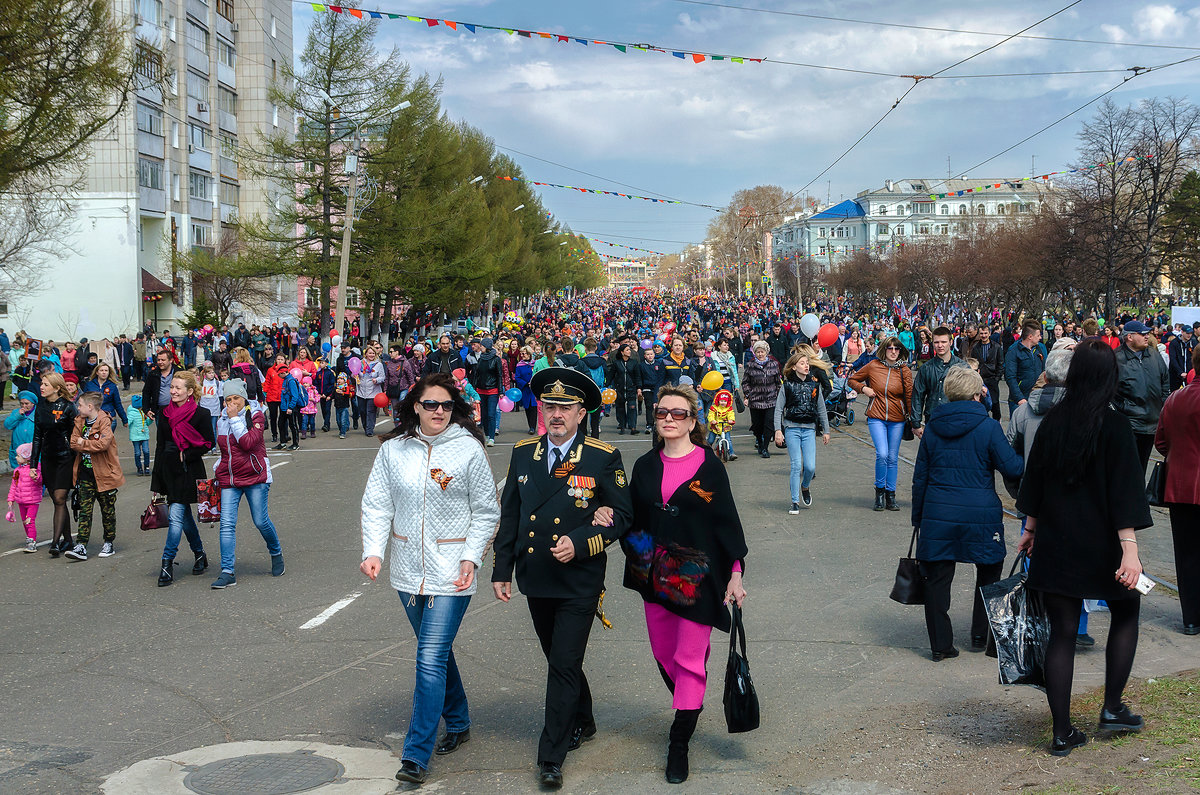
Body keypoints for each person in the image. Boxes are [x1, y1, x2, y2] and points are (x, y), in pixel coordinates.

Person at [491, 367, 633, 790]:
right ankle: (584, 721)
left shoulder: (601, 456)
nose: (556, 414)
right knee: (559, 658)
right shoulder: (522, 453)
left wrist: (584, 539)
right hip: (537, 577)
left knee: (564, 664)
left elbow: (623, 517)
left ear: (581, 412)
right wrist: (502, 570)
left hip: (579, 580)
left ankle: (550, 755)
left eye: (565, 407)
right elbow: (511, 517)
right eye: (550, 406)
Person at [360, 374, 499, 785]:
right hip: (406, 570)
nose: (439, 411)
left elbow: (487, 511)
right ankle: (457, 721)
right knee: (434, 652)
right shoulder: (394, 450)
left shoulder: (468, 450)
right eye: (431, 404)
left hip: (453, 570)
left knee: (429, 656)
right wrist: (373, 550)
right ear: (415, 406)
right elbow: (377, 503)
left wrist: (473, 556)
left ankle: (416, 753)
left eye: (446, 405)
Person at [1016, 340, 1153, 757]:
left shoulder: (1053, 421)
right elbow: (1125, 494)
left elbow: (1033, 482)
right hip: (1104, 545)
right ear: (1110, 378)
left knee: (1061, 633)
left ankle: (1062, 732)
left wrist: (1031, 527)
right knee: (1127, 611)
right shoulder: (1115, 427)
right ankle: (1112, 706)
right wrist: (1130, 549)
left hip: (1057, 541)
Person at [619, 383, 747, 783]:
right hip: (653, 574)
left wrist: (736, 574)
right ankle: (688, 696)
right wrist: (629, 542)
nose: (669, 419)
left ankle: (679, 742)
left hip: (698, 577)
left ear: (693, 420)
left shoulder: (710, 467)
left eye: (678, 413)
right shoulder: (643, 465)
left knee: (689, 661)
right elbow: (631, 517)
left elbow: (727, 525)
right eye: (662, 413)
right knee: (665, 656)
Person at [911, 367, 1023, 661]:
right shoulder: (988, 427)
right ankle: (981, 635)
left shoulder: (933, 426)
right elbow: (1011, 468)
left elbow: (920, 476)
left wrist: (918, 518)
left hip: (939, 510)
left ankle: (940, 645)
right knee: (989, 571)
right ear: (977, 394)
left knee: (937, 578)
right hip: (980, 512)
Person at [211, 379, 284, 589]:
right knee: (226, 525)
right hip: (230, 479)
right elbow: (225, 450)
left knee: (260, 521)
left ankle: (275, 551)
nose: (231, 403)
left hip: (255, 476)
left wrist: (235, 419)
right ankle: (227, 571)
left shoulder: (255, 415)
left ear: (243, 398)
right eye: (228, 400)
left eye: (236, 398)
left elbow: (248, 443)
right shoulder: (221, 419)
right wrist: (219, 467)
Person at [1153, 344, 1200, 636]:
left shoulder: (1175, 399)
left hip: (1181, 487)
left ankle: (1191, 617)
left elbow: (1160, 442)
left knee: (1186, 554)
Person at [151, 369, 215, 587]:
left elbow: (208, 442)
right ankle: (199, 554)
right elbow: (160, 447)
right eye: (171, 387)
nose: (173, 391)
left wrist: (187, 454)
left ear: (189, 391)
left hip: (189, 470)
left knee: (176, 516)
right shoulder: (164, 413)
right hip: (168, 470)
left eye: (178, 388)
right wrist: (156, 481)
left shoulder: (201, 414)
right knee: (183, 517)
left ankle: (167, 562)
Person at [849, 336, 913, 511]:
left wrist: (914, 420)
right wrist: (863, 388)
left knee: (893, 457)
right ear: (884, 349)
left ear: (900, 351)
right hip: (876, 415)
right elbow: (852, 380)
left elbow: (909, 395)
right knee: (882, 454)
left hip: (897, 418)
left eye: (896, 349)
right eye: (890, 348)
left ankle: (890, 495)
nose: (893, 351)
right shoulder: (873, 366)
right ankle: (879, 492)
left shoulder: (904, 370)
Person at [65, 391, 126, 561]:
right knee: (85, 510)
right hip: (85, 474)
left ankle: (109, 542)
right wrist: (86, 444)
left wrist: (83, 443)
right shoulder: (79, 421)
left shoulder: (104, 421)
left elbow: (103, 444)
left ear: (90, 406)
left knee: (107, 510)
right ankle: (81, 545)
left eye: (80, 405)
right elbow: (72, 443)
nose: (78, 408)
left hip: (105, 473)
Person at [774, 350, 830, 514]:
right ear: (793, 367)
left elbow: (821, 409)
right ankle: (795, 501)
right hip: (792, 428)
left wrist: (826, 430)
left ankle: (805, 487)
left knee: (810, 467)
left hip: (809, 429)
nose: (806, 366)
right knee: (796, 465)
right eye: (802, 363)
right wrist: (778, 430)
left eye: (807, 363)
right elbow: (778, 409)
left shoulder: (815, 385)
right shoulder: (787, 386)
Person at [1113, 320, 1170, 473]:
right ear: (1129, 337)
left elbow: (1165, 381)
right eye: (1142, 334)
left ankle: (1139, 496)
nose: (1147, 336)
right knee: (1126, 470)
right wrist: (1126, 410)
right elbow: (1111, 393)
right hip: (1129, 425)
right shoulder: (1116, 359)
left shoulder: (1153, 354)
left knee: (1142, 468)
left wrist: (1162, 405)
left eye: (1147, 333)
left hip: (1152, 424)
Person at [30, 373, 78, 557]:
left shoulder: (68, 407)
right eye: (42, 383)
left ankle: (55, 542)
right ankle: (68, 540)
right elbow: (37, 437)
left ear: (57, 388)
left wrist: (78, 461)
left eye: (46, 384)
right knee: (57, 502)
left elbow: (75, 435)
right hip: (48, 459)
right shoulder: (40, 407)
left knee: (59, 498)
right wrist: (34, 464)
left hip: (66, 458)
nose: (41, 387)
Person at [910, 326, 966, 439]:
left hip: (957, 418)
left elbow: (971, 395)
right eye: (937, 342)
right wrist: (916, 423)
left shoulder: (963, 366)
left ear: (950, 342)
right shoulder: (926, 368)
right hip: (933, 418)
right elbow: (918, 395)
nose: (940, 345)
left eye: (943, 342)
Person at [742, 340, 781, 459]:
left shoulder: (773, 364)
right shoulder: (750, 365)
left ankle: (765, 447)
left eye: (762, 351)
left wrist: (779, 396)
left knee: (769, 424)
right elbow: (745, 382)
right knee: (757, 425)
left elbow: (778, 382)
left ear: (766, 352)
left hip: (771, 399)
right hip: (756, 400)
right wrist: (748, 394)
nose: (760, 354)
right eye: (758, 352)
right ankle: (759, 440)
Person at [1004, 319, 1046, 417]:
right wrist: (1019, 398)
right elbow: (1010, 377)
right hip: (1019, 400)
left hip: (1037, 398)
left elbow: (1044, 371)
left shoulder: (1040, 349)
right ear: (1030, 337)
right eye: (1038, 335)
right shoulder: (1013, 351)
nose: (1040, 338)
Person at [9, 443, 43, 553]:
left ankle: (32, 541)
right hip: (21, 501)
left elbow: (40, 481)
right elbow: (14, 485)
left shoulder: (35, 468)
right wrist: (11, 498)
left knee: (29, 521)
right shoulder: (17, 471)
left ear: (26, 457)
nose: (16, 457)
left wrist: (36, 477)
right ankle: (29, 538)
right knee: (24, 521)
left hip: (32, 501)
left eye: (18, 455)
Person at [468, 338, 503, 446]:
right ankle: (487, 434)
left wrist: (501, 391)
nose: (480, 347)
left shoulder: (496, 359)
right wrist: (473, 390)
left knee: (491, 414)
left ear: (487, 347)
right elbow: (476, 375)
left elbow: (499, 375)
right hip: (481, 390)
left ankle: (491, 437)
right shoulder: (481, 359)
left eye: (482, 346)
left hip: (492, 390)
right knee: (483, 414)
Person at [969, 325, 1004, 421]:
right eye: (981, 333)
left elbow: (1000, 364)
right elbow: (973, 363)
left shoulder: (996, 347)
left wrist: (997, 378)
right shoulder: (976, 348)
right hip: (980, 380)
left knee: (995, 404)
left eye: (985, 333)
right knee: (982, 404)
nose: (983, 335)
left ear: (989, 334)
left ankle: (997, 423)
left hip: (992, 379)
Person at [607, 343, 642, 435]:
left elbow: (638, 376)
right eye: (627, 350)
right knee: (620, 408)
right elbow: (611, 375)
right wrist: (606, 386)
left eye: (629, 350)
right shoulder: (617, 363)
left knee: (632, 408)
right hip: (620, 389)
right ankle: (622, 426)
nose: (629, 351)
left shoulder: (634, 363)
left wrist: (639, 388)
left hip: (631, 389)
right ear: (622, 352)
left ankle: (633, 427)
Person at [356, 346, 386, 437]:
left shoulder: (378, 365)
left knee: (370, 411)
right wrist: (354, 376)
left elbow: (383, 377)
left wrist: (377, 380)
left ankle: (370, 429)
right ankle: (365, 426)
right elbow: (355, 373)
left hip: (373, 392)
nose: (371, 355)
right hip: (361, 392)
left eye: (373, 353)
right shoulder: (360, 363)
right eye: (370, 353)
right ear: (366, 354)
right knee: (362, 411)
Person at [4, 390, 37, 470]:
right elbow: (7, 425)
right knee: (19, 477)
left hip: (32, 451)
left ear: (33, 403)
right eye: (22, 403)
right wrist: (17, 416)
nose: (24, 406)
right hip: (18, 450)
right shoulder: (16, 412)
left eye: (27, 403)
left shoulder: (38, 414)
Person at [638, 343, 666, 436]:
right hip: (647, 388)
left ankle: (658, 424)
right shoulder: (641, 366)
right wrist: (640, 389)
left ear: (654, 355)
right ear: (645, 356)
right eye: (648, 354)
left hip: (657, 388)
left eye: (651, 354)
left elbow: (661, 377)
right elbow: (640, 378)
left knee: (659, 407)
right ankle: (649, 425)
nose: (650, 356)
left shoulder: (659, 364)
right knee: (649, 406)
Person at [128, 393, 152, 476]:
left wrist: (150, 419)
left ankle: (147, 466)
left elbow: (147, 423)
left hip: (144, 434)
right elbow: (128, 422)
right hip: (135, 436)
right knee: (137, 453)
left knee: (146, 451)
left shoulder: (143, 412)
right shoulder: (131, 413)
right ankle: (139, 467)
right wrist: (126, 421)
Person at [1167, 325, 1194, 391]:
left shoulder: (1193, 343)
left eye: (1191, 333)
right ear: (1182, 332)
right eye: (1187, 333)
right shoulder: (1174, 343)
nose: (1189, 335)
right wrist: (1180, 372)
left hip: (1189, 374)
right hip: (1175, 375)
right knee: (1175, 393)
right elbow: (1173, 359)